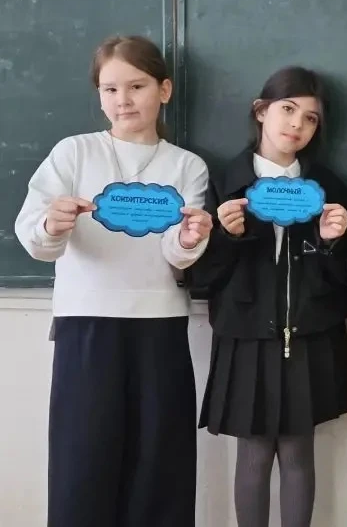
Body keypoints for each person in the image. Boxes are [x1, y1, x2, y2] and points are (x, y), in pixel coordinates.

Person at [14, 35, 212, 527]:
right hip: (87, 324)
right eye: (110, 89)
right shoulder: (73, 153)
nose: (123, 99)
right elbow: (35, 236)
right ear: (99, 95)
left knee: (159, 464)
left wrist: (190, 239)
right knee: (83, 461)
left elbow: (177, 255)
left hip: (160, 326)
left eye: (137, 86)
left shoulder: (187, 165)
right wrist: (52, 224)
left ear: (164, 90)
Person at [191, 66, 347, 527]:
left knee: (300, 452)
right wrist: (227, 237)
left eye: (311, 118)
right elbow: (200, 277)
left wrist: (330, 243)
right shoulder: (226, 182)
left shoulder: (329, 188)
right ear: (261, 111)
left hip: (310, 334)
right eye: (288, 109)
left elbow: (345, 278)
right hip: (247, 333)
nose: (297, 124)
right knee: (254, 453)